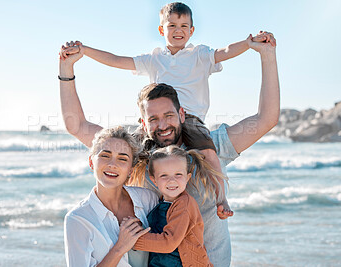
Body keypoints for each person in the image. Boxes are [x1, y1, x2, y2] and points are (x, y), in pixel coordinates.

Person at [59, 31, 279, 267]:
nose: (162, 125)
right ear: (143, 123)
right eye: (153, 119)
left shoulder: (211, 145)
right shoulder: (135, 154)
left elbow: (266, 118)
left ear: (181, 114)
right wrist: (66, 69)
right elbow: (78, 126)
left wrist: (267, 55)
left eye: (169, 116)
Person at [60, 2, 275, 215]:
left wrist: (253, 45)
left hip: (193, 120)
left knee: (209, 154)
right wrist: (83, 53)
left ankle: (222, 199)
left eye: (183, 26)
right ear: (162, 29)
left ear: (192, 31)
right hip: (148, 133)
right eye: (172, 26)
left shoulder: (199, 56)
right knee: (130, 150)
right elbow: (117, 61)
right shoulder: (154, 59)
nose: (178, 31)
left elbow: (226, 52)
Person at [64, 126, 159, 267]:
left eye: (122, 159)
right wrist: (120, 247)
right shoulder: (77, 219)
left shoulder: (148, 199)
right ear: (91, 162)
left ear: (130, 171)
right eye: (105, 155)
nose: (112, 164)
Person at [126, 145, 223, 266]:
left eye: (178, 174)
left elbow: (168, 243)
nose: (172, 180)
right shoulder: (159, 204)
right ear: (154, 180)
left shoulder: (184, 204)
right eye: (164, 175)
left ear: (187, 178)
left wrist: (133, 241)